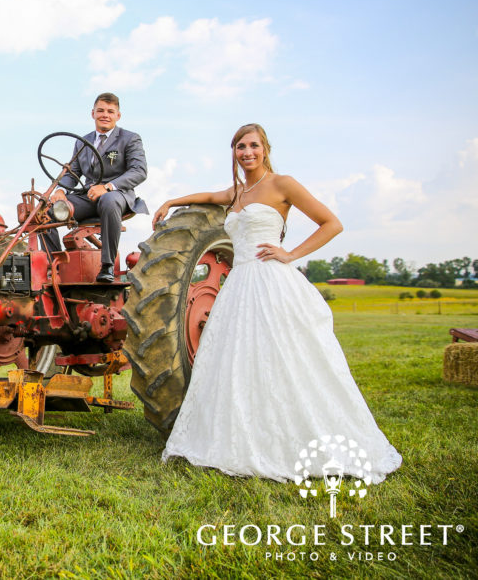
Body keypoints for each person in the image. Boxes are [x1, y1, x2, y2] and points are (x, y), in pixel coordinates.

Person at [152, 123, 401, 482]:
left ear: (265, 149)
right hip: (239, 284)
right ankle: (241, 436)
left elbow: (331, 223)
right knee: (238, 361)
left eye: (253, 145)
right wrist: (172, 201)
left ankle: (298, 437)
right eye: (240, 146)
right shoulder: (237, 191)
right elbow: (209, 197)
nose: (247, 152)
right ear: (234, 152)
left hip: (270, 279)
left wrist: (291, 253)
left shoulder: (283, 184)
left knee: (285, 358)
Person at [44, 93, 148, 282]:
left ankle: (107, 266)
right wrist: (60, 190)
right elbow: (72, 172)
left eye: (110, 111)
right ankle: (54, 266)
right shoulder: (82, 142)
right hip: (89, 197)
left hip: (118, 195)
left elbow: (139, 171)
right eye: (100, 110)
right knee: (45, 213)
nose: (105, 115)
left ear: (118, 115)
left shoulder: (130, 139)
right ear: (93, 113)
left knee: (109, 200)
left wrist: (108, 186)